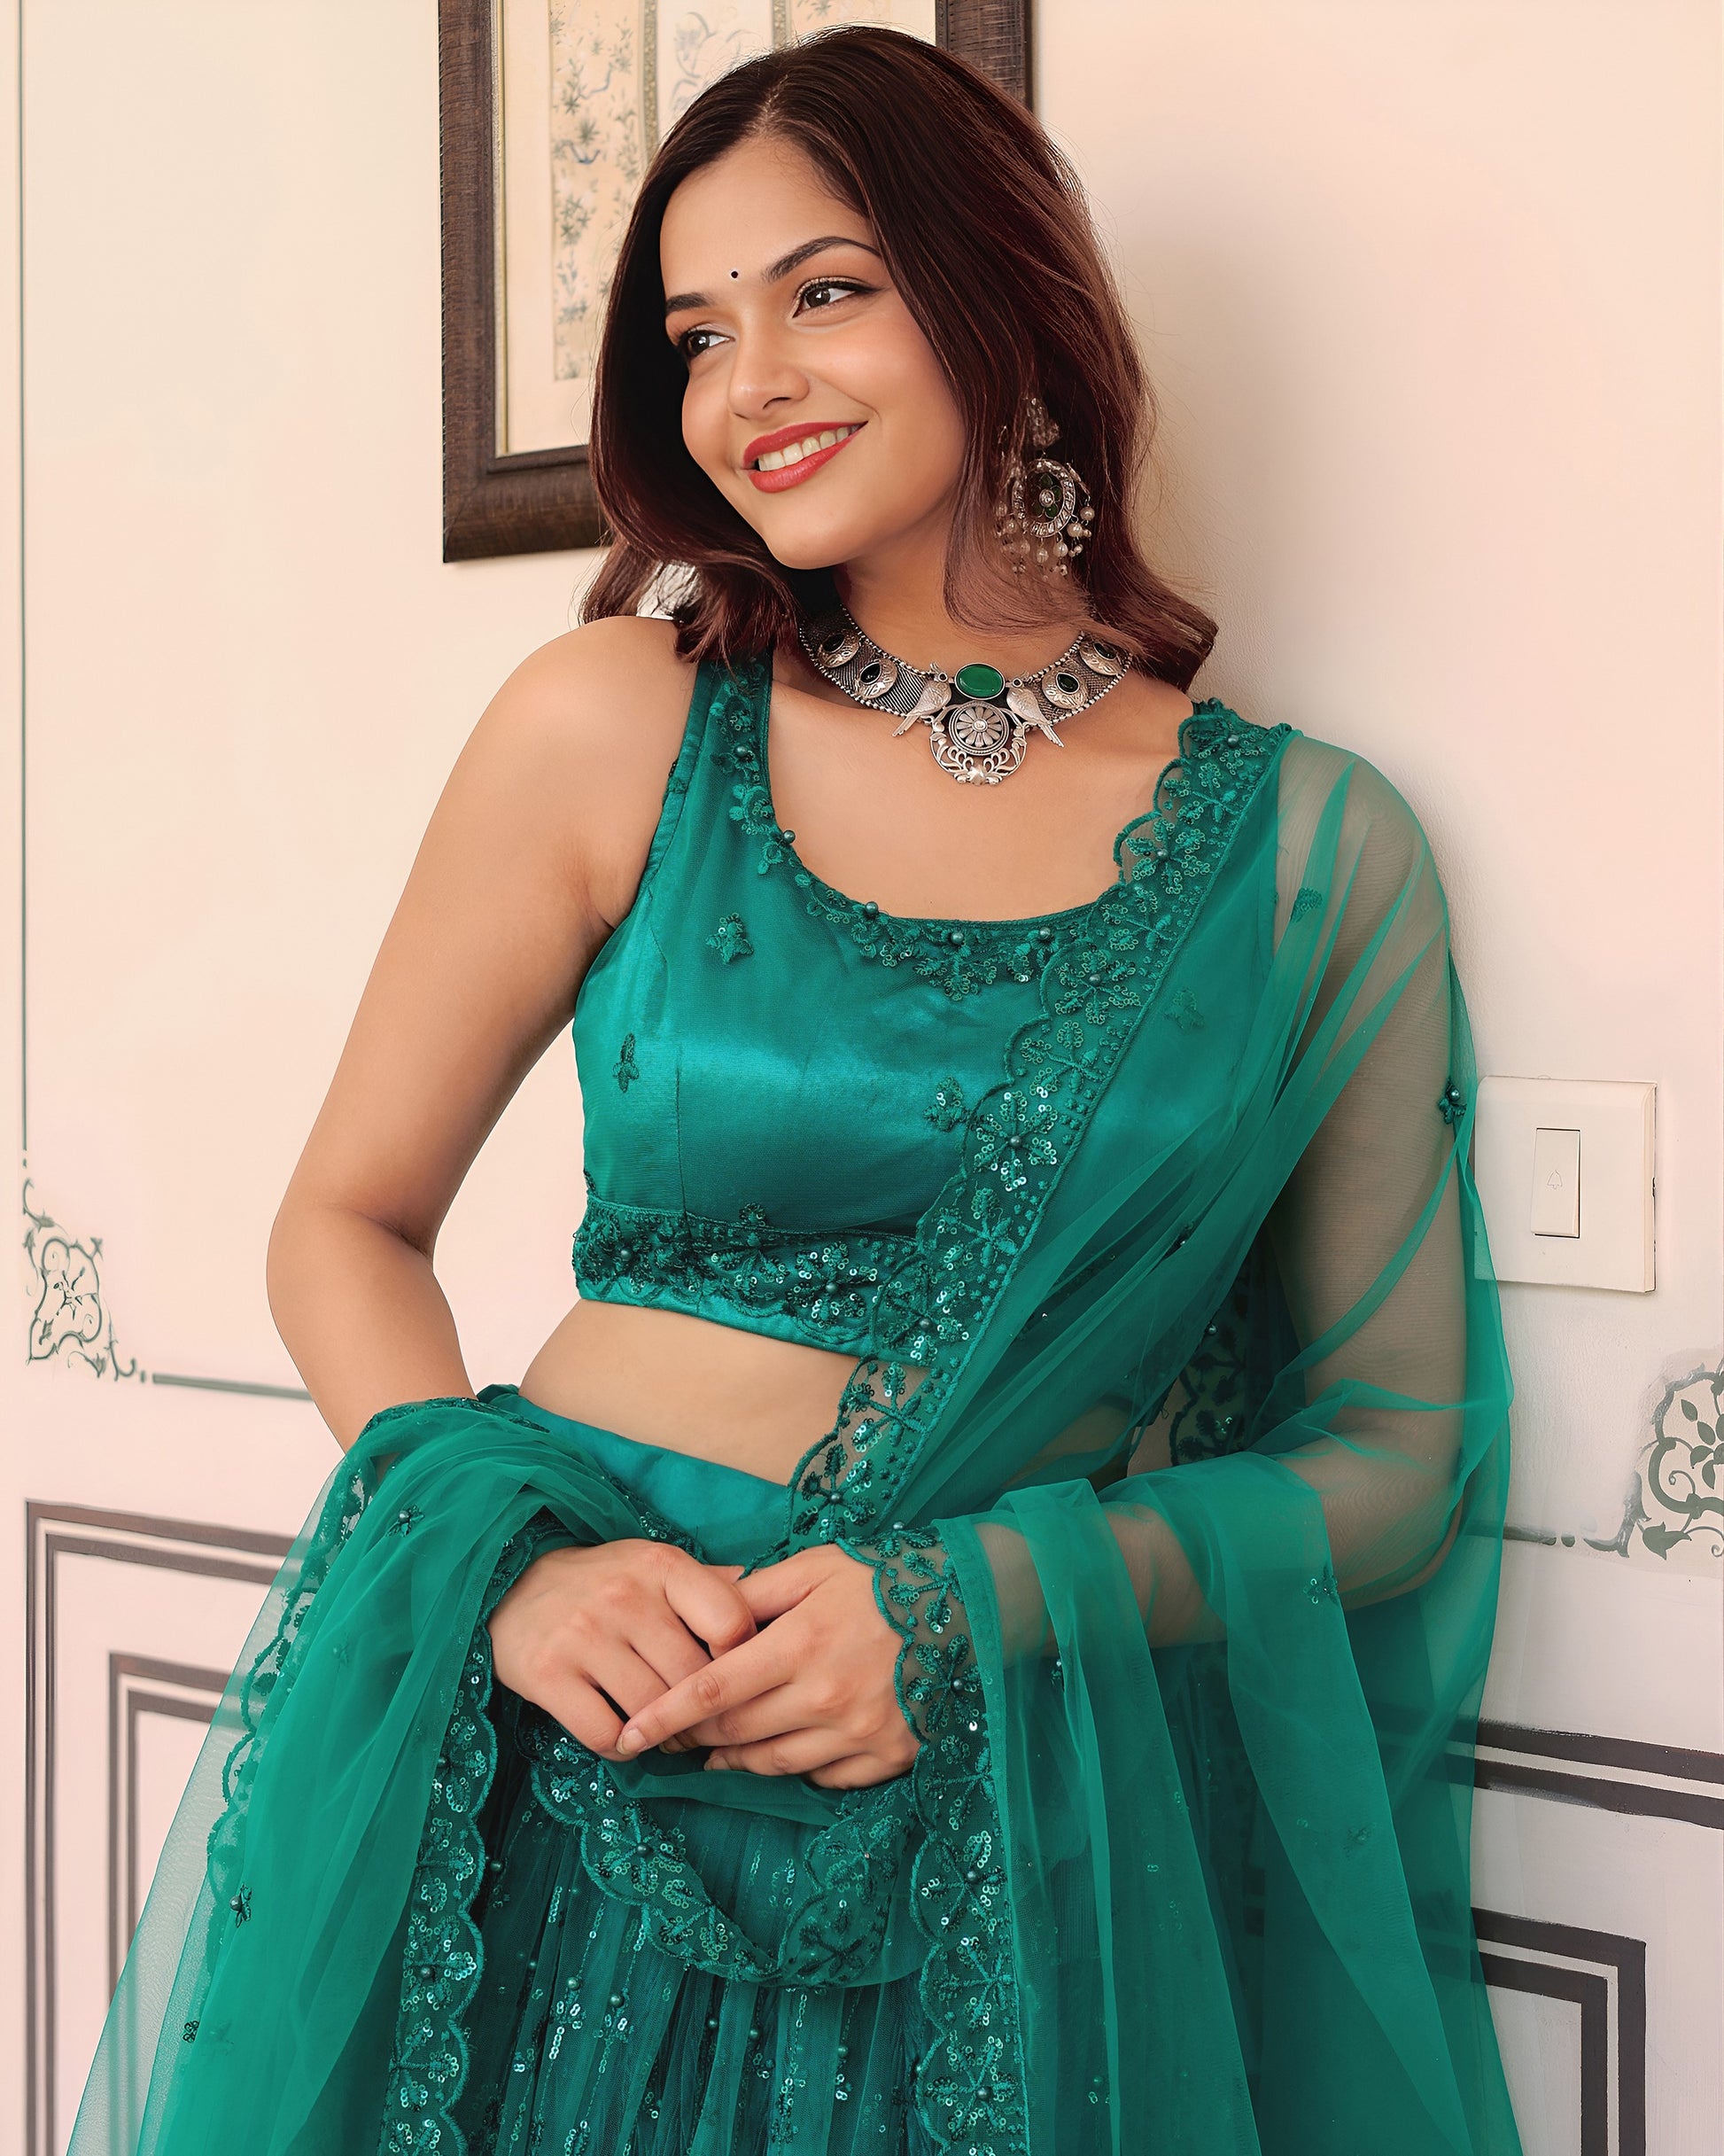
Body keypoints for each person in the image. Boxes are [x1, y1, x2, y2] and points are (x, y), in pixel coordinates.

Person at [69, 27, 1523, 2156]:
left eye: (824, 290)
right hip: (549, 1748)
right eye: (693, 328)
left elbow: (1393, 1452)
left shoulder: (1312, 858)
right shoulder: (620, 723)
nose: (748, 380)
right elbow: (340, 1224)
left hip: (995, 1814)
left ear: (1002, 291)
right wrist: (510, 1575)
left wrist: (965, 1604)